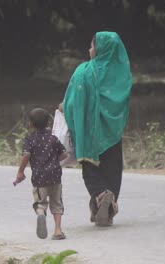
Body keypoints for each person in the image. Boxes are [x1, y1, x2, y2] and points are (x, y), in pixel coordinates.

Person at [59, 31, 133, 226]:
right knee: (113, 170)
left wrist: (63, 107)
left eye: (92, 46)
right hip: (112, 133)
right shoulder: (122, 76)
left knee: (91, 171)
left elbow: (72, 102)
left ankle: (100, 195)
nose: (89, 49)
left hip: (89, 134)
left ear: (100, 49)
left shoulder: (84, 71)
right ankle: (107, 206)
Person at [14, 108, 68, 240]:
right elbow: (65, 154)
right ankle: (58, 231)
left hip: (39, 178)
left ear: (31, 123)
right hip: (56, 176)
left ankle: (41, 213)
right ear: (49, 122)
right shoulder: (53, 138)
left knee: (40, 203)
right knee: (57, 203)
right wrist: (55, 161)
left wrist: (20, 172)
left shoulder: (29, 140)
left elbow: (26, 155)